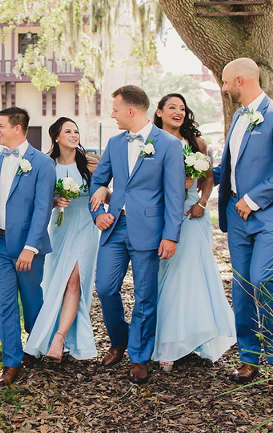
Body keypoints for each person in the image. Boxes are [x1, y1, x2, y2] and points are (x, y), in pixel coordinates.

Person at [213, 58, 273, 385]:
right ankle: (249, 358)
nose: (223, 89)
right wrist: (197, 174)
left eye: (224, 82)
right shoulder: (238, 118)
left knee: (262, 278)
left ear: (239, 81)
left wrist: (253, 200)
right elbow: (231, 166)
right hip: (237, 217)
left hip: (270, 215)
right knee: (241, 286)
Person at [89, 85, 185, 384]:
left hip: (150, 231)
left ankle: (139, 357)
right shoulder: (115, 143)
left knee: (145, 296)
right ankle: (121, 340)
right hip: (115, 227)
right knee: (105, 288)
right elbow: (98, 181)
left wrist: (171, 235)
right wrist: (98, 213)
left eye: (115, 109)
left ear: (131, 111)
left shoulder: (168, 144)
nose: (112, 114)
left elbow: (174, 196)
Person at [141, 94, 237, 371]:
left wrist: (201, 202)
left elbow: (208, 179)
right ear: (158, 112)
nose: (178, 112)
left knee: (189, 275)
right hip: (159, 215)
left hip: (191, 214)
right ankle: (165, 340)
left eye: (182, 108)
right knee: (163, 276)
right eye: (172, 107)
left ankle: (185, 341)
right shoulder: (150, 142)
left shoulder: (196, 144)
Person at [0, 107, 56, 386]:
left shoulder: (42, 163)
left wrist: (30, 247)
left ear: (17, 128)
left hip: (28, 247)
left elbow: (42, 210)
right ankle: (11, 363)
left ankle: (38, 345)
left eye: (0, 125)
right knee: (7, 304)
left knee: (32, 300)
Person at [24, 117, 100, 363]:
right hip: (60, 227)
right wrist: (56, 201)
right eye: (68, 131)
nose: (74, 134)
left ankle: (59, 337)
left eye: (76, 131)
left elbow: (108, 190)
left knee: (73, 281)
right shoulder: (47, 165)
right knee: (58, 280)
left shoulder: (89, 163)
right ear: (56, 136)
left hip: (86, 226)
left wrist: (102, 193)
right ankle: (52, 334)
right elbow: (38, 200)